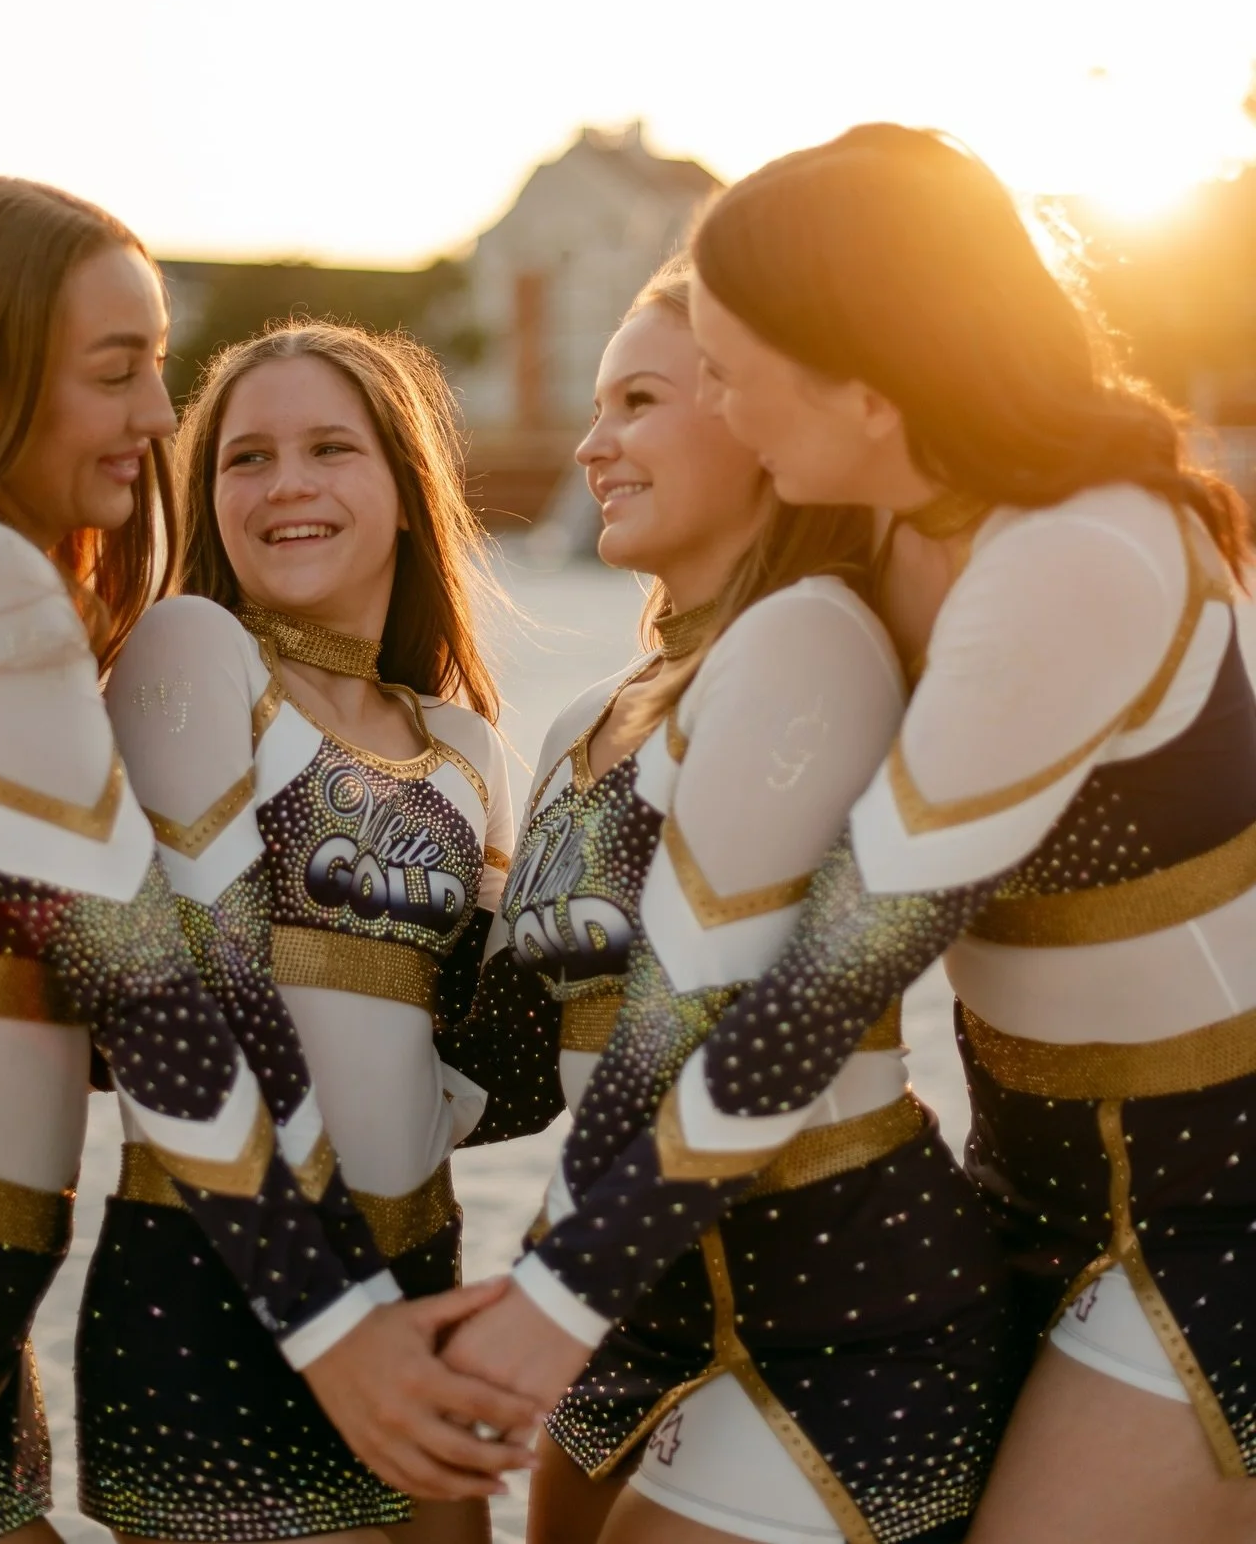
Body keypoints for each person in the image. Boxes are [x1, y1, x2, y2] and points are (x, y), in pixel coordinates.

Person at [456, 124, 1256, 1544]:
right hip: (1023, 1179)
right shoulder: (891, 544)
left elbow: (824, 979)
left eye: (734, 363)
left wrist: (559, 1289)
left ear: (862, 376)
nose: (724, 396)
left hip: (1218, 1211)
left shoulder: (1077, 552)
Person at [0, 180, 533, 1544]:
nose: (162, 412)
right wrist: (335, 1328)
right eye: (120, 368)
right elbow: (152, 986)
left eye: (156, 364)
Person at [446, 257, 1018, 1544]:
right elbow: (511, 1061)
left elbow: (695, 1024)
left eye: (638, 400)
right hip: (627, 1296)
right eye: (597, 407)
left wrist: (544, 1292)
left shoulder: (814, 635)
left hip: (838, 1306)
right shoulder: (590, 717)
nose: (594, 444)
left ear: (758, 418)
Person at [77, 322, 520, 1544]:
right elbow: (199, 1007)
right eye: (245, 459)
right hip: (221, 1283)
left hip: (420, 1275)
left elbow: (487, 1058)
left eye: (330, 447)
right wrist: (334, 1303)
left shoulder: (463, 742)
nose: (286, 486)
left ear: (404, 485)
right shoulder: (188, 649)